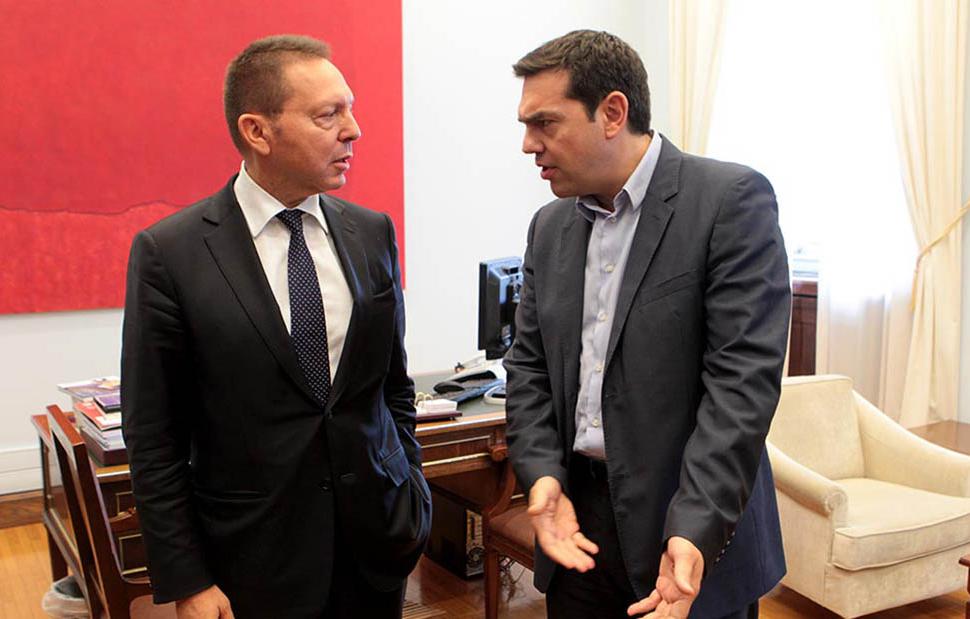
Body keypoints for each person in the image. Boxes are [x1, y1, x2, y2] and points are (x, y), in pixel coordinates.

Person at [121, 34, 430, 619]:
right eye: (327, 115)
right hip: (251, 561)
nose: (354, 130)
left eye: (350, 109)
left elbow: (392, 386)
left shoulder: (372, 232)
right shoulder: (171, 253)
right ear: (258, 131)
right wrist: (187, 579)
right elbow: (154, 434)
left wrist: (410, 490)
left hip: (376, 546)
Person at [504, 30, 790, 619]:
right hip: (577, 527)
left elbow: (739, 390)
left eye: (545, 123)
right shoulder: (548, 227)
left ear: (613, 113)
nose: (529, 144)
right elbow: (528, 368)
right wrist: (541, 475)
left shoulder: (729, 201)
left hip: (687, 522)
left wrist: (694, 526)